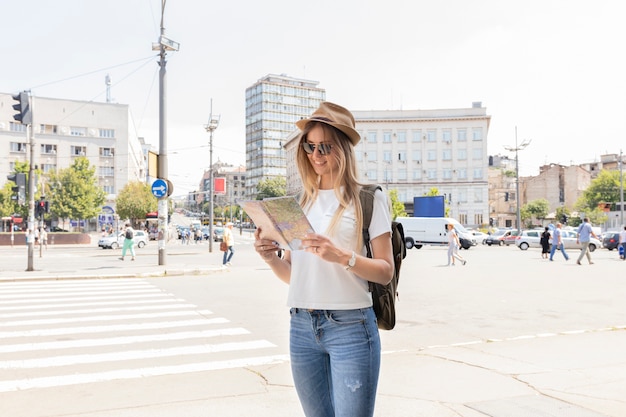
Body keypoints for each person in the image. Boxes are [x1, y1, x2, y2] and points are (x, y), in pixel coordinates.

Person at [253, 101, 394, 417]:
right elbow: (294, 273)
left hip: (351, 327)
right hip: (301, 325)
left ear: (342, 149)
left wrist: (342, 256)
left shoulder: (368, 198)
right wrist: (271, 257)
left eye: (324, 147)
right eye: (310, 146)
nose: (316, 155)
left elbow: (385, 272)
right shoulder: (301, 202)